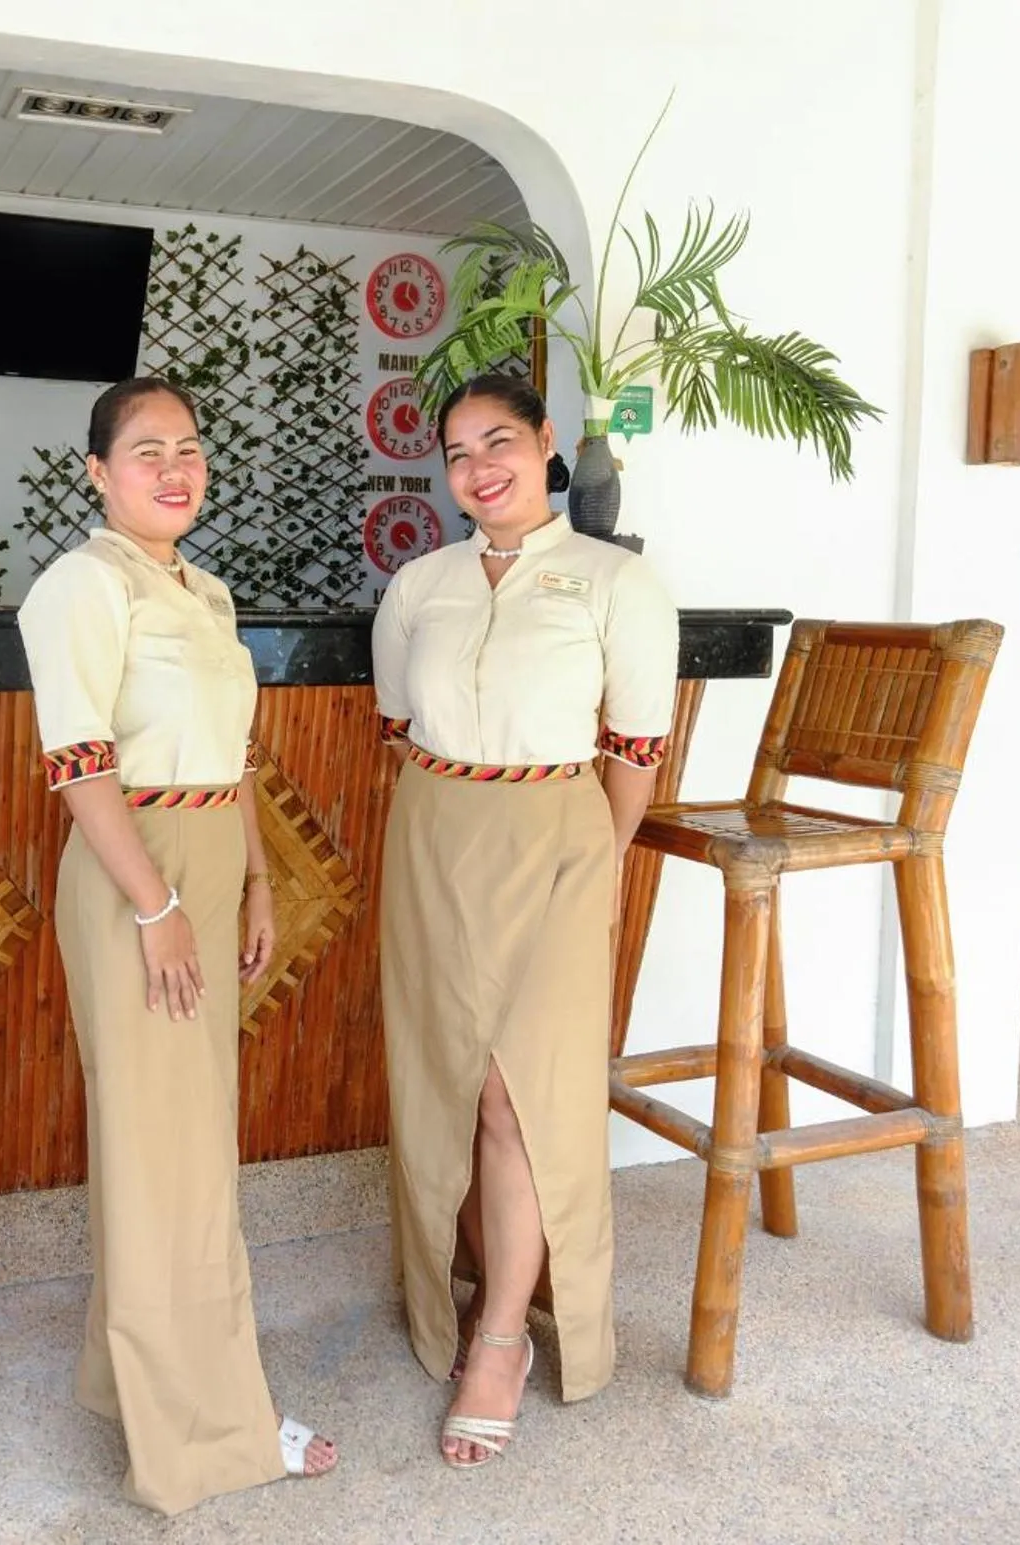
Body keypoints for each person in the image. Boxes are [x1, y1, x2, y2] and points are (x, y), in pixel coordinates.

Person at [16, 377, 339, 1513]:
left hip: (202, 858)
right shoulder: (79, 586)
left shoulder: (202, 589)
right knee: (171, 1159)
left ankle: (130, 1382)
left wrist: (254, 882)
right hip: (132, 873)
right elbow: (78, 765)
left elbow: (232, 752)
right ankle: (203, 1431)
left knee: (179, 1140)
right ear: (97, 473)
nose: (174, 467)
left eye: (190, 448)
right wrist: (157, 908)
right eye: (145, 449)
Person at [371, 371, 678, 1468]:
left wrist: (600, 856)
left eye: (497, 440)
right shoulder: (418, 584)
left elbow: (637, 745)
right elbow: (395, 723)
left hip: (560, 836)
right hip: (433, 833)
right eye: (456, 453)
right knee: (439, 1077)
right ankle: (440, 1294)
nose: (477, 468)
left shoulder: (614, 580)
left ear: (548, 442)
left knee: (515, 1091)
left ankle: (502, 1332)